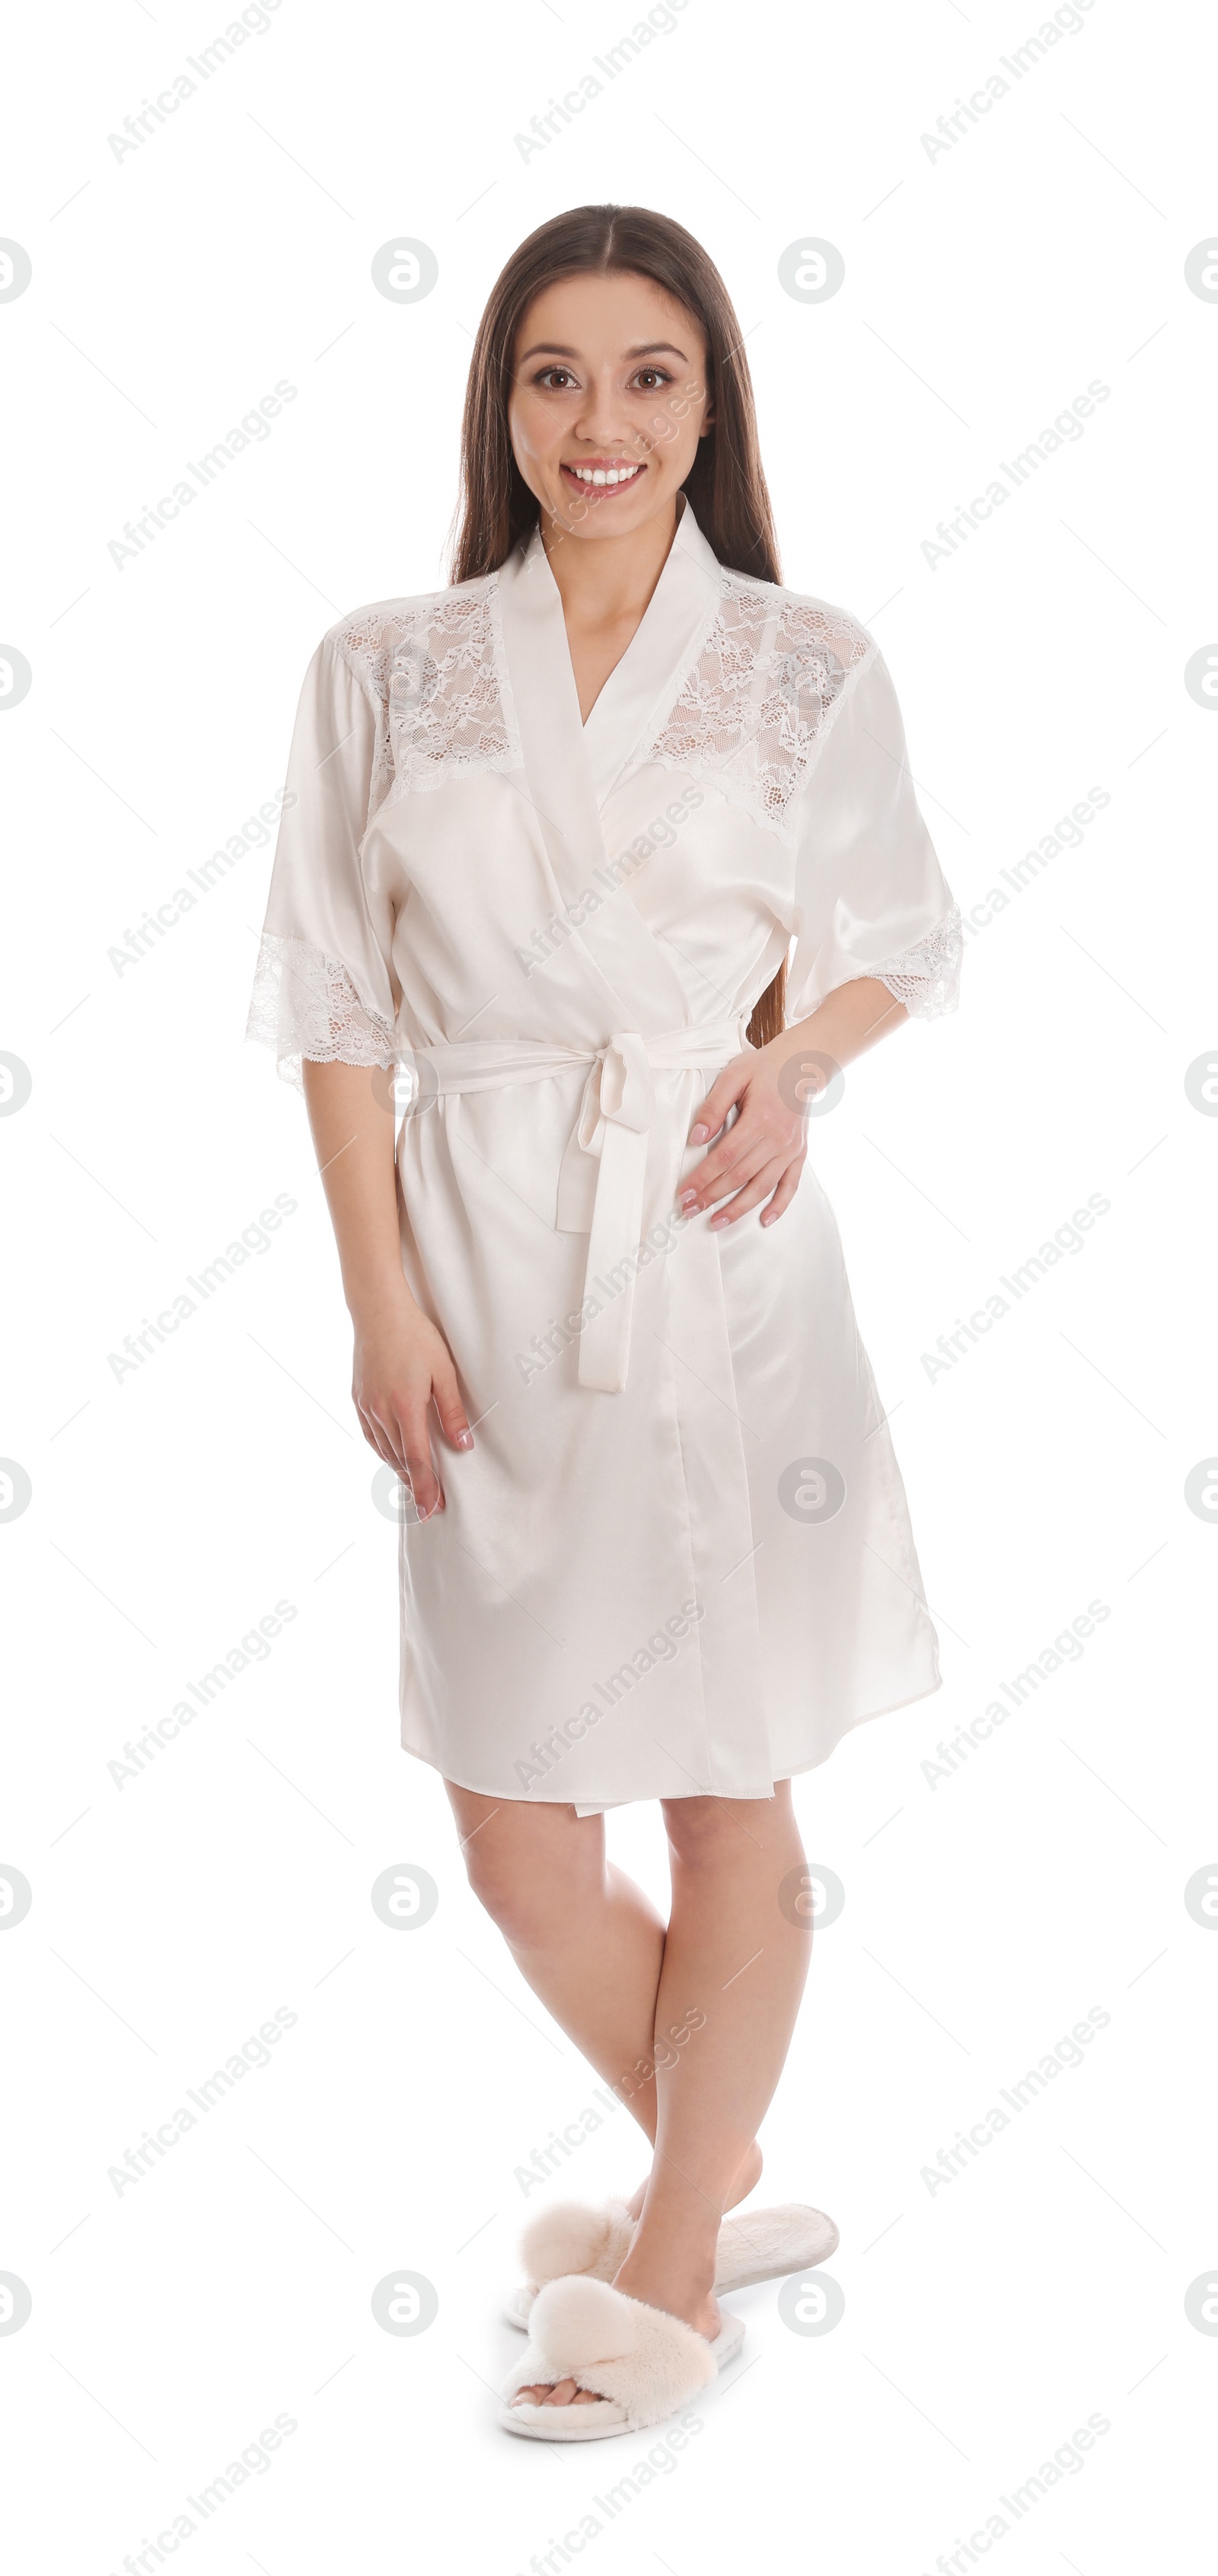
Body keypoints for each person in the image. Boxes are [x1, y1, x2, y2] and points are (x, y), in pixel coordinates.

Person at [247, 203, 961, 2438]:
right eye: (556, 375)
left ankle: (662, 2284)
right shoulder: (385, 665)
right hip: (472, 1252)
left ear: (713, 402)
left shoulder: (804, 657)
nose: (602, 422)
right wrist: (381, 1297)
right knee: (514, 1825)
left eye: (651, 376)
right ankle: (712, 2164)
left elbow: (906, 932)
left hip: (717, 1257)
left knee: (725, 1778)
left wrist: (794, 1059)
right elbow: (339, 1004)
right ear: (502, 402)